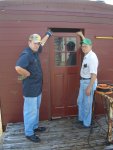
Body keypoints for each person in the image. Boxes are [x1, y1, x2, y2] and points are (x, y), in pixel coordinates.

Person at [15, 30, 52, 142]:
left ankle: (35, 127)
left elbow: (42, 43)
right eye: (35, 43)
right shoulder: (26, 54)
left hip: (37, 88)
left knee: (35, 110)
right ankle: (29, 133)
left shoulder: (35, 51)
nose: (37, 45)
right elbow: (18, 67)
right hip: (30, 89)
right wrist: (27, 74)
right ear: (29, 42)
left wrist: (48, 35)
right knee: (30, 111)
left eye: (38, 43)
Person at [76, 31, 98, 128]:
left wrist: (89, 87)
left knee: (87, 105)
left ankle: (86, 123)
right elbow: (85, 42)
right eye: (82, 46)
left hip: (89, 82)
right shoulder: (87, 54)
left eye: (86, 46)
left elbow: (94, 74)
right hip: (83, 81)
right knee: (80, 101)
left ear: (91, 46)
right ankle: (81, 119)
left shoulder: (92, 58)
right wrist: (81, 35)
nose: (83, 48)